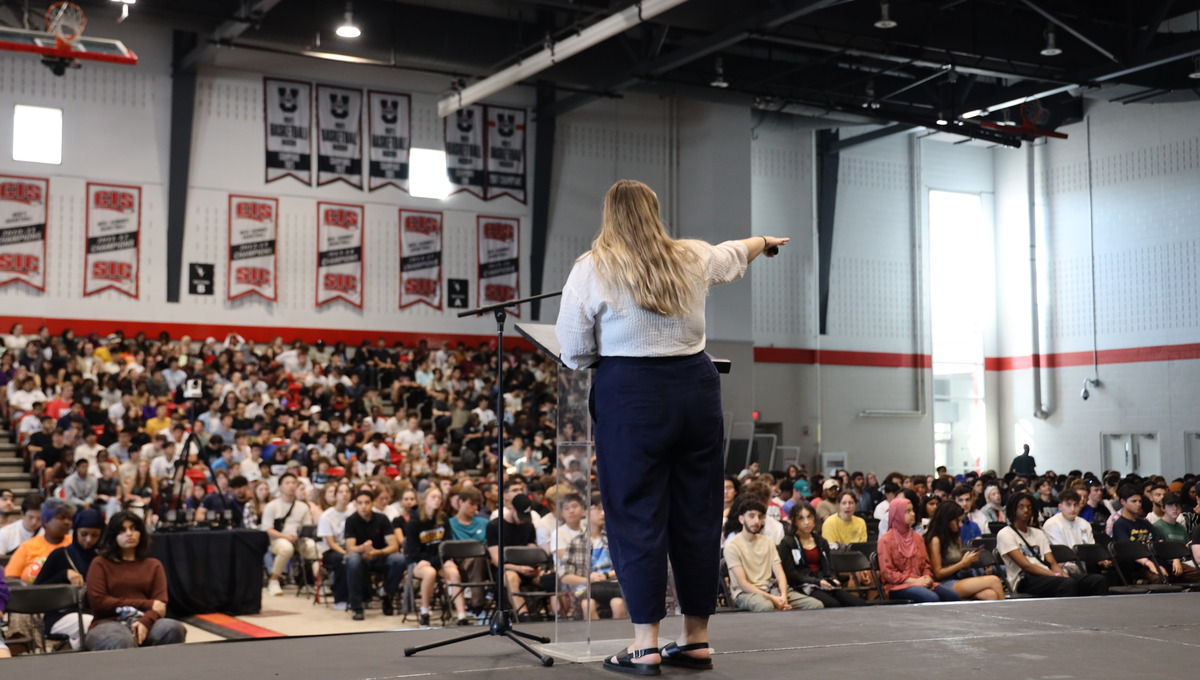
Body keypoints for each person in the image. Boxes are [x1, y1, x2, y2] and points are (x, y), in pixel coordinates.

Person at [555, 179, 787, 675]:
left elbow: (573, 352)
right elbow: (733, 253)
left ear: (609, 214)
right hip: (696, 391)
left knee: (637, 515)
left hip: (631, 396)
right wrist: (764, 241)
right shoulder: (689, 256)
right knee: (698, 513)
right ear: (655, 212)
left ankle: (645, 646)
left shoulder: (592, 268)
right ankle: (696, 640)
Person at [84, 511, 186, 649]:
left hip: (145, 619)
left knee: (173, 627)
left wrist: (145, 621)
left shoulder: (153, 565)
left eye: (133, 529)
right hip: (108, 622)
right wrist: (147, 603)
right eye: (122, 530)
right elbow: (99, 602)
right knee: (121, 639)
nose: (129, 534)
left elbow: (160, 605)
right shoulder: (100, 563)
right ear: (113, 536)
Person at [997, 492, 1107, 597]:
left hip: (1046, 575)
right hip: (1024, 580)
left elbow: (1052, 563)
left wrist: (1061, 574)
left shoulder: (1038, 533)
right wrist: (1056, 575)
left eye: (1029, 507)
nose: (1026, 510)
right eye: (1021, 507)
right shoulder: (1005, 534)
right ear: (1012, 509)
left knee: (1097, 581)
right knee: (1066, 584)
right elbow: (1027, 566)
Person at [723, 498, 823, 613]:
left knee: (815, 605)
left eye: (760, 517)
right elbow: (743, 584)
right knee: (766, 607)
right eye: (751, 516)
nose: (756, 521)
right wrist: (773, 599)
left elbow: (780, 573)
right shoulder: (732, 546)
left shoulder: (768, 542)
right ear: (741, 519)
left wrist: (784, 596)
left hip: (771, 589)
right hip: (745, 593)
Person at [33, 508, 104, 649]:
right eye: (84, 534)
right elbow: (36, 592)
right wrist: (63, 575)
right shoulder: (60, 555)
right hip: (60, 616)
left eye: (95, 535)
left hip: (93, 613)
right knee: (93, 625)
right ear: (76, 531)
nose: (89, 540)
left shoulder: (101, 558)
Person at [778, 501, 866, 608]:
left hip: (824, 582)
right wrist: (817, 581)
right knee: (833, 604)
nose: (806, 522)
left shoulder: (821, 541)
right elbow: (791, 574)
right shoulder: (788, 543)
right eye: (801, 518)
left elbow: (829, 567)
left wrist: (833, 578)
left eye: (809, 517)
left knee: (858, 603)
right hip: (803, 585)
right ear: (794, 522)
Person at [405, 487, 469, 626]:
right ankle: (424, 611)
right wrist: (436, 561)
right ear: (425, 500)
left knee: (454, 572)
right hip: (418, 562)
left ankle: (461, 615)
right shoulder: (413, 523)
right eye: (433, 497)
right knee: (430, 573)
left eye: (439, 497)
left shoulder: (443, 518)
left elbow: (447, 544)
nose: (437, 500)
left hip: (438, 560)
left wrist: (445, 560)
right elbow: (413, 552)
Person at [876, 498, 960, 603]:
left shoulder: (917, 537)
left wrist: (927, 577)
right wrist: (914, 581)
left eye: (912, 510)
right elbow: (888, 573)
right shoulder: (885, 540)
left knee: (952, 596)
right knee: (931, 598)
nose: (912, 514)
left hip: (921, 581)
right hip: (897, 586)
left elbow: (926, 564)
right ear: (897, 514)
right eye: (907, 511)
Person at [560, 495, 627, 620]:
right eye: (597, 509)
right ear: (586, 513)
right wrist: (588, 579)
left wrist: (607, 576)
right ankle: (598, 638)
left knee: (618, 604)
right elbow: (564, 576)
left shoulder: (614, 539)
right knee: (587, 605)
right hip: (587, 587)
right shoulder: (576, 542)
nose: (602, 513)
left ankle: (618, 637)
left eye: (604, 509)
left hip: (613, 585)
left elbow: (626, 567)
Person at [344, 487, 406, 621]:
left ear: (372, 503)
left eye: (366, 502)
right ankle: (357, 606)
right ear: (355, 504)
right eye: (360, 503)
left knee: (399, 559)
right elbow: (350, 547)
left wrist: (377, 552)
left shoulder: (382, 519)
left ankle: (386, 594)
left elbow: (394, 545)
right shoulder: (351, 520)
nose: (363, 506)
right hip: (360, 555)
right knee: (353, 560)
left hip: (379, 555)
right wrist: (363, 549)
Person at [924, 503, 1005, 601]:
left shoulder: (956, 537)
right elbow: (938, 573)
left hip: (959, 578)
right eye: (957, 521)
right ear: (947, 521)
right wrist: (963, 563)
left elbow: (961, 567)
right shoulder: (935, 540)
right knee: (994, 580)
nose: (960, 525)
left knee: (991, 595)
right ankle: (1009, 613)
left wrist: (968, 562)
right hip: (943, 583)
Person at [262, 472, 317, 596]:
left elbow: (307, 527)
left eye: (293, 483)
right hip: (277, 539)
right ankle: (274, 580)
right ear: (280, 487)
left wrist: (300, 537)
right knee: (287, 548)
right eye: (287, 483)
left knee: (314, 547)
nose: (291, 486)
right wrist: (286, 537)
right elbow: (268, 529)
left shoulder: (303, 507)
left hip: (298, 538)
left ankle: (316, 583)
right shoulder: (272, 506)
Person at [5, 498, 73, 583]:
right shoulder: (27, 547)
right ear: (46, 522)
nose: (67, 522)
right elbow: (11, 579)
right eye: (61, 518)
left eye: (69, 518)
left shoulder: (74, 545)